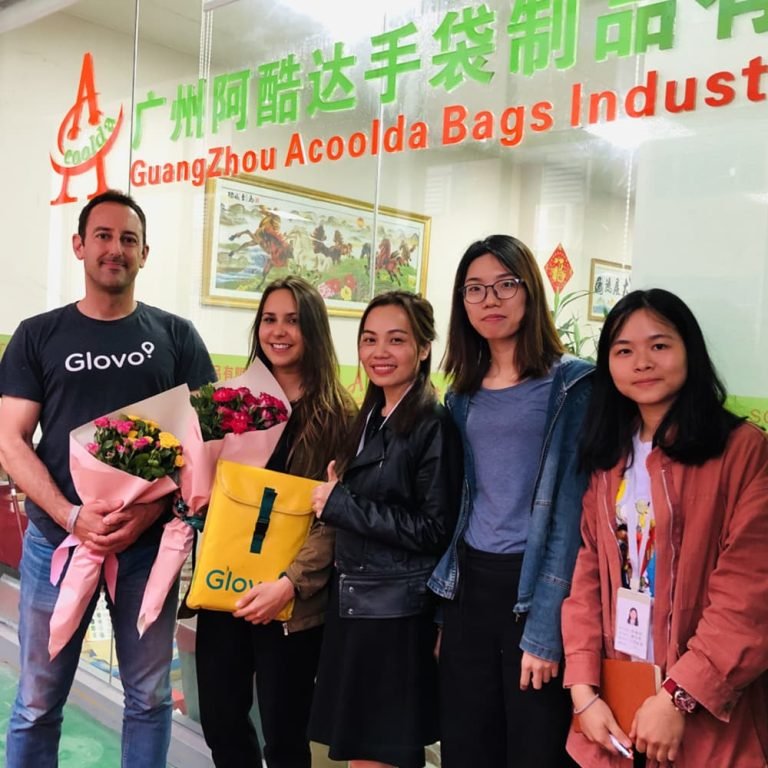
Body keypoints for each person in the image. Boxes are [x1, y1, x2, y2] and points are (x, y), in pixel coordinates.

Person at [0, 189, 216, 767]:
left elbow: (205, 442)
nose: (115, 249)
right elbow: (10, 441)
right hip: (57, 544)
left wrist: (148, 512)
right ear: (79, 245)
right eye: (103, 236)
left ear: (145, 252)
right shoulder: (37, 335)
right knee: (37, 700)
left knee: (148, 699)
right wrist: (71, 515)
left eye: (128, 239)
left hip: (147, 550)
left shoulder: (176, 336)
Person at [562, 288, 768, 767]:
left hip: (705, 711)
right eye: (623, 351)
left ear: (689, 351)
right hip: (617, 700)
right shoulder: (608, 456)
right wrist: (583, 690)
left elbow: (750, 595)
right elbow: (588, 575)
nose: (642, 362)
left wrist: (678, 696)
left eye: (659, 345)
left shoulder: (743, 451)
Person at [428, 234, 593, 768]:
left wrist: (545, 630)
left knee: (533, 747)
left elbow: (571, 518)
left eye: (505, 285)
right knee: (466, 746)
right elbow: (459, 505)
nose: (490, 300)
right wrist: (443, 614)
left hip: (534, 588)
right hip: (468, 586)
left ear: (530, 291)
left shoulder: (573, 386)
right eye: (475, 289)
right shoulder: (461, 393)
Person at [195, 275, 356, 768]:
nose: (278, 331)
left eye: (293, 320)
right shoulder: (230, 403)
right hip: (225, 587)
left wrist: (288, 584)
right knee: (221, 722)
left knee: (285, 737)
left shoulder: (339, 416)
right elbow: (202, 488)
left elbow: (336, 517)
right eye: (269, 319)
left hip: (292, 601)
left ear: (314, 330)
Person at [308, 290, 462, 768]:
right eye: (369, 339)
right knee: (361, 754)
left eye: (396, 340)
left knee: (381, 754)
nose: (380, 352)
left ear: (423, 348)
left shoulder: (432, 424)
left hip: (395, 613)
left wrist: (341, 504)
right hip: (358, 600)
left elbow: (434, 529)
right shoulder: (372, 415)